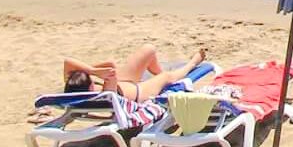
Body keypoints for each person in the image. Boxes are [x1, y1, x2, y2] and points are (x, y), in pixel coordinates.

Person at [59, 44, 201, 100]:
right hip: (139, 93)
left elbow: (67, 62)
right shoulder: (104, 95)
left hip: (123, 83)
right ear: (90, 87)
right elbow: (111, 71)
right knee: (166, 77)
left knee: (148, 50)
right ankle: (192, 63)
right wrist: (96, 73)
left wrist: (93, 71)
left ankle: (158, 76)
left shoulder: (75, 93)